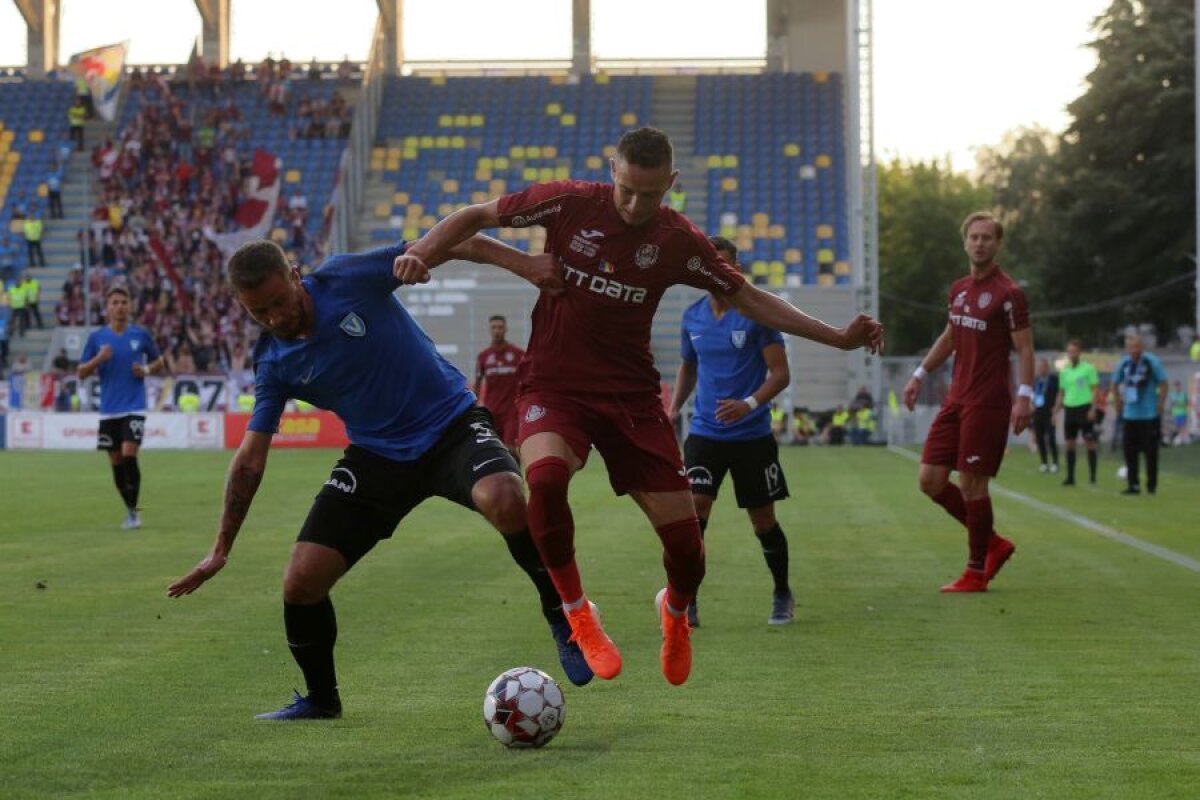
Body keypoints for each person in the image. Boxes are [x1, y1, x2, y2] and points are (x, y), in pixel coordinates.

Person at [392, 127, 883, 686]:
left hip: (630, 397)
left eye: (650, 195)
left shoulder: (678, 241)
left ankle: (674, 614)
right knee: (546, 480)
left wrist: (838, 337)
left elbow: (748, 296)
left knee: (687, 550)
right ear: (612, 170)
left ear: (670, 184)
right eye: (626, 189)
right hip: (555, 385)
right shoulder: (570, 201)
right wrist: (421, 254)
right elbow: (474, 218)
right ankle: (578, 614)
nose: (634, 204)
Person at [167, 238, 592, 722]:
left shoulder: (346, 277)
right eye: (258, 312)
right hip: (377, 457)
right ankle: (322, 699)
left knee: (505, 497)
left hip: (452, 425)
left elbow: (456, 239)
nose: (275, 318)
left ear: (294, 274)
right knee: (301, 582)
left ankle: (563, 618)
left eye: (279, 302)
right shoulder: (274, 362)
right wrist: (221, 547)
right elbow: (249, 459)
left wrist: (525, 264)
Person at [903, 211, 1033, 593]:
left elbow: (1025, 348)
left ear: (997, 244)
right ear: (965, 242)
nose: (980, 243)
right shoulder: (959, 289)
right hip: (956, 399)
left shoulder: (1009, 293)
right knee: (930, 480)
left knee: (973, 484)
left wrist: (1025, 396)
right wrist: (919, 374)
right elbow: (951, 335)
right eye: (974, 237)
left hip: (988, 402)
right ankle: (992, 543)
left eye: (987, 237)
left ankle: (976, 571)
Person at [668, 235, 794, 628]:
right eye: (708, 264)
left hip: (752, 436)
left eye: (722, 264)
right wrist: (673, 408)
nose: (715, 272)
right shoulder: (693, 317)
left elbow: (780, 373)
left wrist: (749, 405)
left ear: (735, 269)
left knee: (762, 521)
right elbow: (689, 366)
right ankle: (688, 600)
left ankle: (782, 593)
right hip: (705, 435)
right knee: (696, 513)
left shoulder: (757, 314)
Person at [77, 287, 166, 529]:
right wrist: (99, 359)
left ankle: (136, 511)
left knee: (128, 454)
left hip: (134, 406)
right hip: (108, 409)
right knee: (115, 461)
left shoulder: (141, 334)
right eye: (114, 302)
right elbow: (81, 372)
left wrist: (146, 370)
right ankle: (130, 510)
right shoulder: (97, 338)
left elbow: (160, 361)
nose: (119, 306)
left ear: (129, 306)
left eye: (123, 302)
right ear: (107, 307)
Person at [1111, 333, 1168, 495]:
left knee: (1150, 452)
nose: (1133, 350)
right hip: (1130, 414)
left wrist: (1161, 403)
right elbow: (1114, 383)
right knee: (1130, 451)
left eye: (1136, 347)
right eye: (1130, 347)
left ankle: (1151, 485)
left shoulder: (1152, 361)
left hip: (1149, 414)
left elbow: (1163, 383)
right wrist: (1117, 401)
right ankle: (1133, 485)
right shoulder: (1124, 363)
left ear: (1141, 347)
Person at [1054, 340, 1101, 486]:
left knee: (1089, 442)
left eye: (1074, 351)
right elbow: (1061, 392)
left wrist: (1093, 409)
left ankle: (1092, 477)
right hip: (1070, 409)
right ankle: (1070, 477)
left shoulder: (1088, 368)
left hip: (1084, 408)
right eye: (1069, 351)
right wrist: (1055, 411)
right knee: (1069, 443)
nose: (1072, 354)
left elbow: (1095, 389)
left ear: (1079, 352)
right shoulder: (1065, 371)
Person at [474, 314, 525, 449]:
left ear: (506, 329)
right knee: (493, 450)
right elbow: (477, 386)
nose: (497, 330)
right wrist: (473, 408)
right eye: (494, 327)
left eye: (500, 327)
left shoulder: (519, 354)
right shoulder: (483, 357)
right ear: (490, 330)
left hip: (512, 412)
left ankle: (515, 471)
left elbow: (528, 381)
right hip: (491, 412)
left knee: (512, 450)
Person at [1031, 358, 1060, 473]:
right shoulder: (1036, 380)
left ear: (1047, 368)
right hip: (1038, 412)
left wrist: (1056, 410)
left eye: (1044, 367)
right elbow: (1033, 394)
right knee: (1039, 438)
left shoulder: (1053, 379)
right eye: (1040, 367)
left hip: (1049, 411)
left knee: (1051, 437)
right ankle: (1044, 462)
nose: (1042, 369)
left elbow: (1059, 393)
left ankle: (1055, 462)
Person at [1168, 380, 1190, 445]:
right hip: (1176, 413)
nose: (1177, 388)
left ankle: (1184, 438)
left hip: (1183, 413)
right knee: (1178, 426)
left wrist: (1179, 403)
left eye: (1178, 386)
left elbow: (1187, 403)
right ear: (1174, 387)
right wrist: (1178, 403)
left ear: (1180, 386)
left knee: (1183, 426)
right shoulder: (1172, 394)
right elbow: (1173, 403)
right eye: (1176, 386)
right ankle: (1181, 438)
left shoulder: (1184, 394)